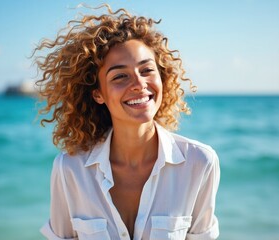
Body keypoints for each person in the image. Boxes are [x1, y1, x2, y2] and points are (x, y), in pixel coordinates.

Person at [35, 5, 220, 240]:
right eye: (120, 76)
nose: (139, 84)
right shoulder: (70, 169)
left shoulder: (200, 163)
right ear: (98, 94)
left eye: (147, 70)